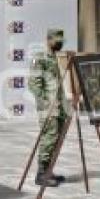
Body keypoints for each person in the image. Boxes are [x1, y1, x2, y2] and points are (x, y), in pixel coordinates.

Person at [29, 29, 68, 187]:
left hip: (61, 105)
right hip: (49, 107)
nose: (58, 42)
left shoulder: (61, 59)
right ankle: (41, 174)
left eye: (60, 40)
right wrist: (46, 103)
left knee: (57, 139)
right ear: (48, 40)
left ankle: (49, 171)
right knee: (49, 138)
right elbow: (34, 84)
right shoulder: (40, 58)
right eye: (55, 40)